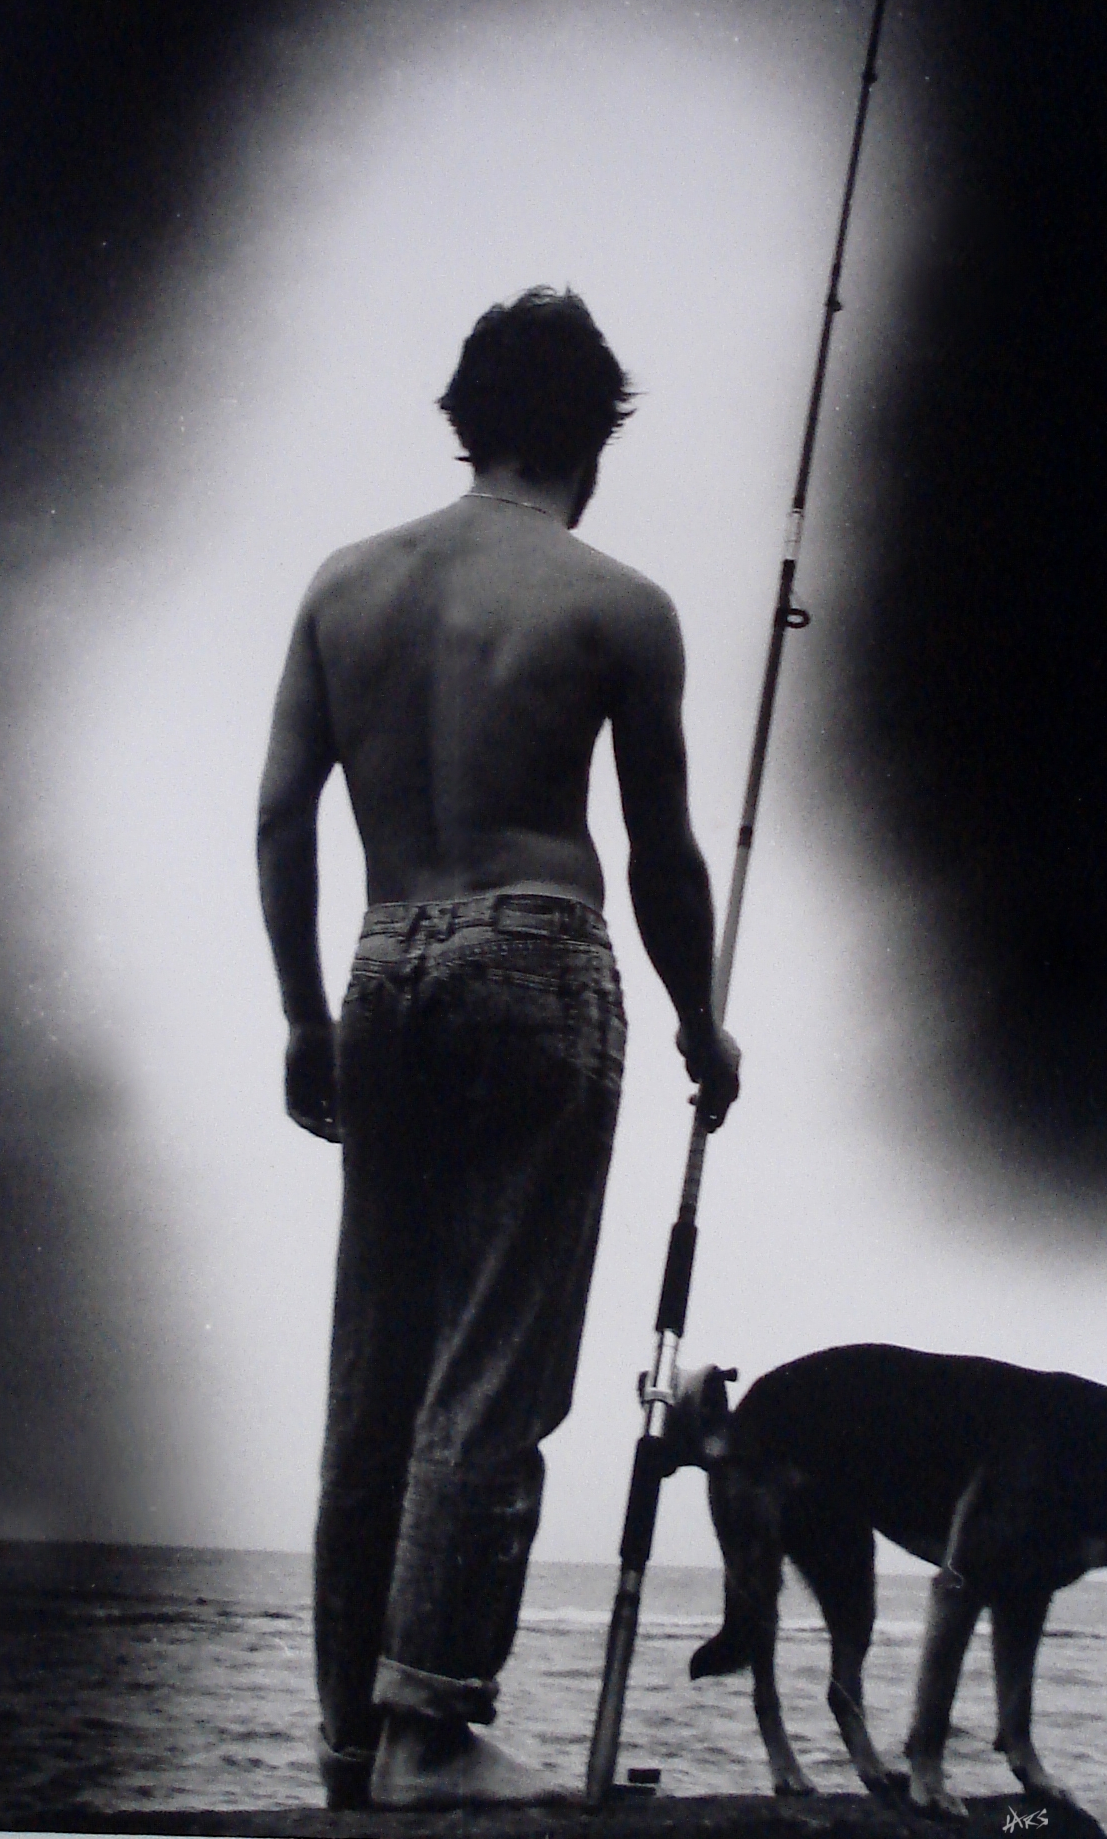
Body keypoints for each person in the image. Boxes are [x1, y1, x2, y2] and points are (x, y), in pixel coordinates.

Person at [256, 287, 741, 1809]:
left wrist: (303, 1014)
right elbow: (662, 854)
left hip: (383, 960)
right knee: (496, 1359)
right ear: (593, 436)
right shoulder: (618, 603)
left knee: (375, 1374)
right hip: (538, 957)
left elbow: (280, 815)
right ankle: (432, 1726)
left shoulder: (346, 584)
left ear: (468, 424)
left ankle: (353, 1743)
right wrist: (702, 1020)